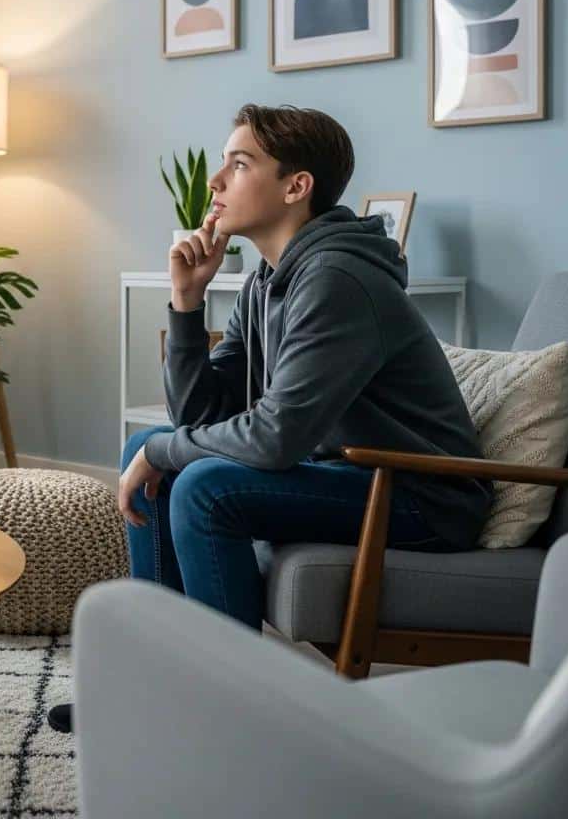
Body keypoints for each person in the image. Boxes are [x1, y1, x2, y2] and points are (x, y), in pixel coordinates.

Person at [46, 103, 491, 734]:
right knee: (152, 449)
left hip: (420, 494)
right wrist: (186, 302)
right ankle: (156, 684)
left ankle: (233, 712)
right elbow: (201, 413)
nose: (216, 182)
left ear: (296, 185)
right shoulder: (268, 280)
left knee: (202, 486)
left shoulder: (336, 279)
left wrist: (170, 451)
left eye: (239, 163)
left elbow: (276, 436)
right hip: (349, 476)